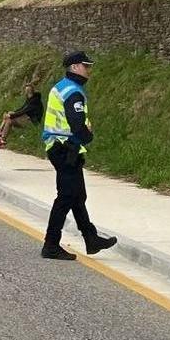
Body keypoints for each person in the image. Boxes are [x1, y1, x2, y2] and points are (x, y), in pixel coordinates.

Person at [40, 51, 117, 260]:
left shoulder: (61, 86)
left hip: (61, 147)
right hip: (66, 149)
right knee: (66, 197)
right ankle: (51, 244)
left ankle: (91, 238)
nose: (89, 70)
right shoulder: (73, 92)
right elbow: (77, 126)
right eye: (86, 66)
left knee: (77, 196)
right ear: (74, 67)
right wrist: (88, 134)